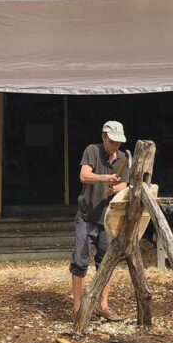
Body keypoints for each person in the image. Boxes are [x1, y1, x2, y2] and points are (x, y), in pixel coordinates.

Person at [70, 120, 131, 320]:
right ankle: (78, 307)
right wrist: (106, 178)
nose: (115, 146)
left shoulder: (123, 158)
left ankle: (103, 306)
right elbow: (84, 175)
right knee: (80, 260)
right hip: (87, 215)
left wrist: (115, 188)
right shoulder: (92, 151)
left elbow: (127, 184)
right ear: (103, 137)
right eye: (112, 141)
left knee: (105, 262)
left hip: (108, 218)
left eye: (118, 142)